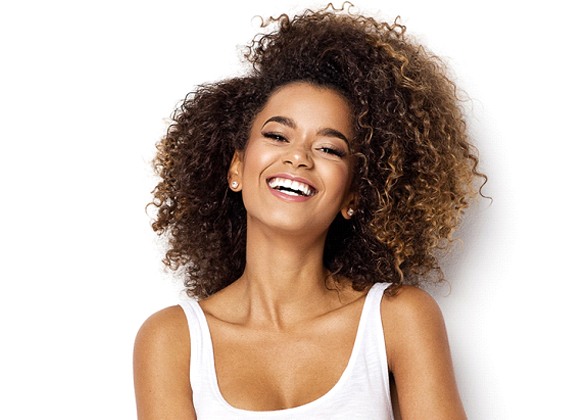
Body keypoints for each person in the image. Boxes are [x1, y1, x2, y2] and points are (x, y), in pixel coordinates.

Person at [134, 3, 484, 419]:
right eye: (278, 135)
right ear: (236, 168)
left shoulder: (398, 319)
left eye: (328, 148)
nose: (298, 157)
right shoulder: (173, 340)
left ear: (353, 194)